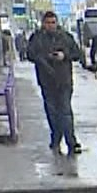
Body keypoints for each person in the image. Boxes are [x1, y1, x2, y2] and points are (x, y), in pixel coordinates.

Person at [23, 10, 85, 154]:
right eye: (48, 23)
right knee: (52, 113)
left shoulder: (65, 37)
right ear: (43, 24)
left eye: (53, 22)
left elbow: (77, 54)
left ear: (57, 23)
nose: (51, 25)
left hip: (64, 81)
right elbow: (30, 54)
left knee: (66, 112)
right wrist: (44, 57)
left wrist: (64, 55)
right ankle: (56, 139)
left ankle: (71, 142)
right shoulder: (37, 38)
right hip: (46, 81)